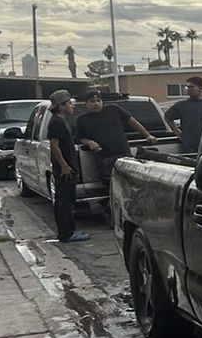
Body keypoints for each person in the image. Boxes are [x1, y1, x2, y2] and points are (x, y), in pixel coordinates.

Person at [74, 89, 154, 188]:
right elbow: (79, 138)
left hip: (125, 155)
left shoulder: (113, 109)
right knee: (112, 187)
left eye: (99, 100)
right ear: (86, 104)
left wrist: (147, 135)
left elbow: (132, 121)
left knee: (131, 185)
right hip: (105, 159)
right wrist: (89, 142)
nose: (96, 103)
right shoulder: (82, 119)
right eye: (92, 101)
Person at [46, 91, 89, 244]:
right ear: (61, 106)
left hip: (69, 168)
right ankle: (66, 234)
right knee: (63, 203)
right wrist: (64, 165)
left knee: (69, 201)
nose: (72, 106)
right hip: (64, 170)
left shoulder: (61, 120)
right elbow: (54, 146)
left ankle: (71, 231)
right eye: (69, 103)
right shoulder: (56, 122)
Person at [165, 74, 202, 158]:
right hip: (189, 146)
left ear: (201, 88)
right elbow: (168, 117)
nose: (189, 90)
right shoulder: (182, 105)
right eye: (187, 87)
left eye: (192, 87)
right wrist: (177, 132)